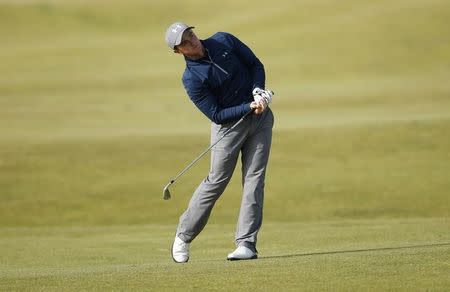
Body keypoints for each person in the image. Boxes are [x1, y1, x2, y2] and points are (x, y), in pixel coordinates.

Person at [165, 22, 274, 262]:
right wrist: (248, 106)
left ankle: (246, 243)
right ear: (178, 51)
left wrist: (258, 92)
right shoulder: (192, 79)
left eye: (190, 34)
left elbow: (255, 64)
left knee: (255, 179)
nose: (191, 41)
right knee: (217, 181)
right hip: (228, 129)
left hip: (260, 120)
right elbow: (216, 114)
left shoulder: (223, 40)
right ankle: (183, 236)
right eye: (184, 42)